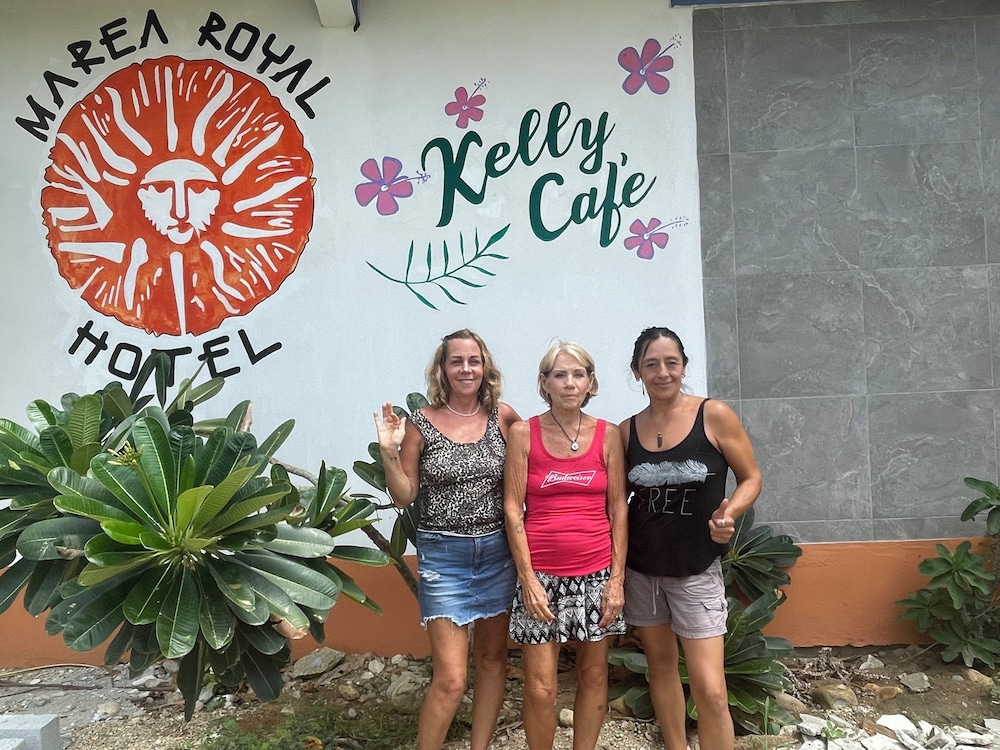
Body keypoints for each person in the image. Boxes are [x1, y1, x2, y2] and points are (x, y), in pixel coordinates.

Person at [374, 329, 521, 750]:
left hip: (497, 553)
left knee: (491, 660)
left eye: (474, 360)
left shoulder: (504, 417)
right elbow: (404, 495)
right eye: (457, 361)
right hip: (444, 558)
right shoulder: (421, 423)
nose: (466, 369)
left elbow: (531, 468)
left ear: (485, 366)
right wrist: (388, 452)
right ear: (443, 369)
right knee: (452, 678)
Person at [620, 327, 763, 750]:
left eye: (672, 363)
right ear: (636, 371)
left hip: (696, 568)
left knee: (711, 689)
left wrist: (729, 513)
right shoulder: (626, 431)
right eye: (651, 364)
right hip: (642, 571)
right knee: (661, 670)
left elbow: (751, 478)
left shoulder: (713, 414)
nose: (662, 372)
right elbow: (617, 501)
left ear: (684, 366)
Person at [504, 340, 628, 750]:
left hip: (596, 573)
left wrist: (616, 580)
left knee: (593, 675)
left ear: (591, 382)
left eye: (578, 374)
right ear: (545, 382)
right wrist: (527, 580)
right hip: (540, 575)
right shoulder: (524, 434)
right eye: (560, 375)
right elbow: (513, 509)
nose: (570, 383)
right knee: (541, 687)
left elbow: (618, 508)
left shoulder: (608, 435)